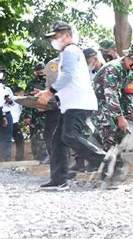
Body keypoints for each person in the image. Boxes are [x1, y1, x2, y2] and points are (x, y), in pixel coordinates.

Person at [36, 21, 106, 189]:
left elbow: (67, 77)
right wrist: (49, 96)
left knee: (69, 136)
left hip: (79, 103)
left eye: (56, 36)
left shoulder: (70, 50)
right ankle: (59, 179)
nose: (53, 40)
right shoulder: (69, 52)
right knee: (58, 141)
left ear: (67, 35)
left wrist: (49, 92)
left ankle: (111, 163)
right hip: (72, 104)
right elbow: (70, 82)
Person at [92, 43, 133, 156]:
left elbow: (128, 93)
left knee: (122, 131)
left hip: (110, 105)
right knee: (110, 130)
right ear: (128, 58)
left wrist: (132, 113)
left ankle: (113, 161)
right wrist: (120, 117)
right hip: (97, 104)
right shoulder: (113, 69)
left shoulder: (128, 73)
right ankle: (107, 164)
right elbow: (110, 95)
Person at [24, 62, 48, 163]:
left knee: (48, 135)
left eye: (41, 71)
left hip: (49, 114)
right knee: (35, 136)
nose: (39, 73)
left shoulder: (50, 82)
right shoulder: (31, 84)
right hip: (35, 115)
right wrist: (27, 116)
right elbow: (27, 100)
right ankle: (38, 158)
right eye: (37, 72)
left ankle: (48, 157)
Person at [43, 57, 61, 167]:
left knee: (55, 135)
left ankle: (56, 159)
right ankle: (55, 159)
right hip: (53, 107)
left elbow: (52, 87)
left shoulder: (53, 64)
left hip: (58, 106)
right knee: (51, 134)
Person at [0, 68, 14, 162]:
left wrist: (9, 100)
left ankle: (7, 159)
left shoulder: (7, 88)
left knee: (8, 137)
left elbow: (13, 103)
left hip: (7, 114)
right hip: (2, 114)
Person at [11, 87, 25, 161]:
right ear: (17, 93)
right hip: (13, 122)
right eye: (22, 93)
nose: (23, 95)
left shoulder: (20, 100)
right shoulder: (15, 99)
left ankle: (19, 157)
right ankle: (19, 158)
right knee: (19, 139)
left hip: (13, 122)